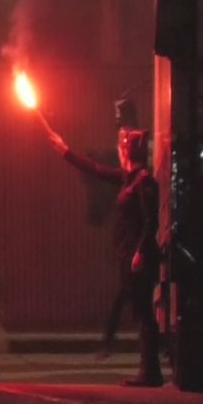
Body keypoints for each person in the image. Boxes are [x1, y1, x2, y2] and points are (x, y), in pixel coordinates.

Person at [47, 125, 163, 387]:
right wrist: (65, 151)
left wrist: (141, 252)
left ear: (128, 152)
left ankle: (150, 372)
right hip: (128, 255)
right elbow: (96, 170)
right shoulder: (128, 178)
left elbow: (150, 221)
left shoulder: (144, 182)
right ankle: (144, 367)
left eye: (122, 148)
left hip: (137, 257)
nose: (119, 152)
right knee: (137, 311)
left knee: (144, 315)